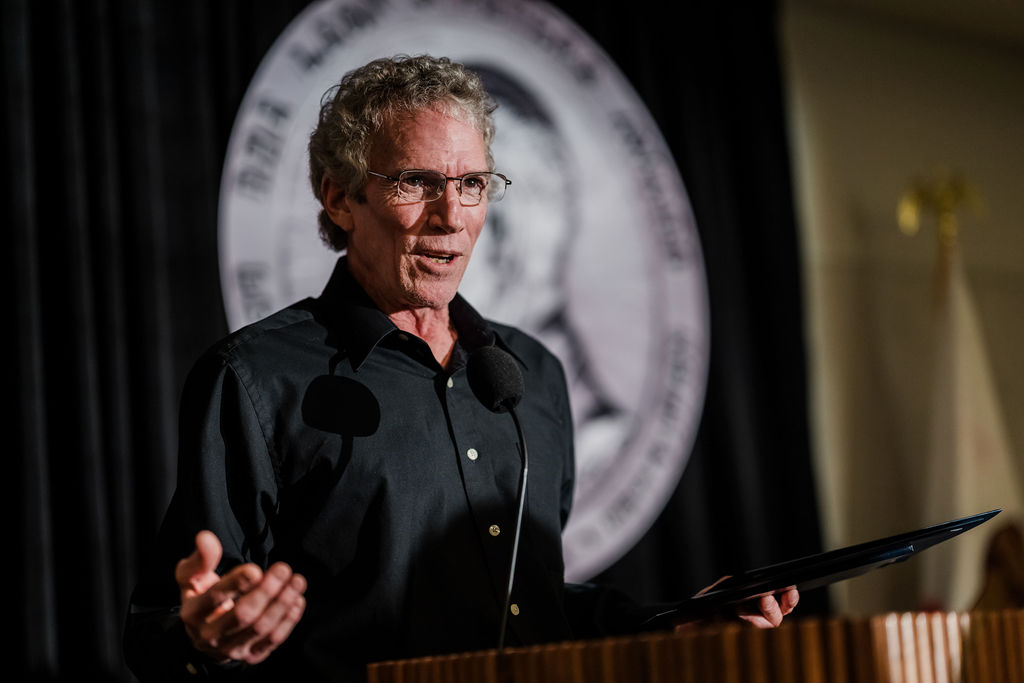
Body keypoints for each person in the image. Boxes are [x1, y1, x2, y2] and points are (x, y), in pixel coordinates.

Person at [123, 54, 798, 682]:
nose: (451, 216)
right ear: (339, 198)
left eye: (472, 184)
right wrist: (205, 639)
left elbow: (528, 604)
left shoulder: (530, 373)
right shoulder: (255, 378)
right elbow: (161, 628)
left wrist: (673, 622)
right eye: (416, 182)